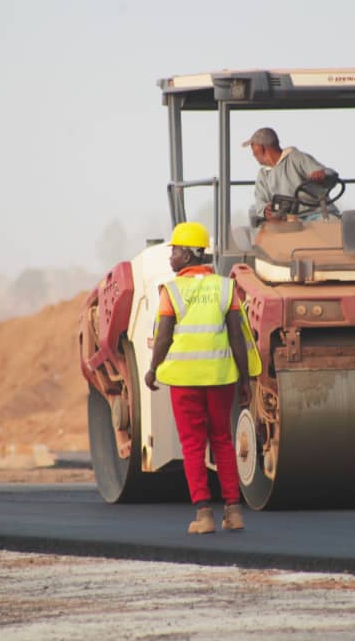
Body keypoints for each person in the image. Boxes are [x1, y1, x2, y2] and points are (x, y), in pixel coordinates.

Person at [144, 221, 255, 534]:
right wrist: (245, 380)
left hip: (184, 380)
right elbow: (237, 336)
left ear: (190, 254)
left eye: (176, 251)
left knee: (192, 445)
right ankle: (234, 512)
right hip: (221, 378)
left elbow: (163, 337)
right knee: (222, 439)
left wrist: (153, 368)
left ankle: (204, 515)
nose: (171, 257)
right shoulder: (225, 288)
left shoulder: (173, 291)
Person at [243, 127, 340, 226]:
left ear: (262, 148)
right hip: (290, 222)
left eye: (253, 147)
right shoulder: (263, 175)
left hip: (317, 214)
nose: (253, 154)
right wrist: (265, 210)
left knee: (331, 226)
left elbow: (329, 174)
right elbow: (260, 201)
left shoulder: (296, 158)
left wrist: (323, 174)